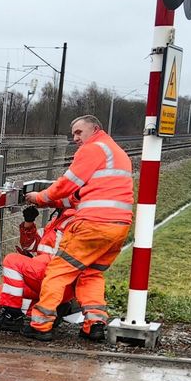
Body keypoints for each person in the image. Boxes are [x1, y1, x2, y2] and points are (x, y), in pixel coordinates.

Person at [24, 115, 133, 341]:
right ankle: (95, 324)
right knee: (91, 274)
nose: (75, 138)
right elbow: (82, 194)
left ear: (95, 129)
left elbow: (67, 184)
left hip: (92, 224)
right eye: (73, 133)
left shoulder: (92, 149)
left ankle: (41, 325)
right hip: (119, 226)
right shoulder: (118, 153)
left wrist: (40, 198)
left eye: (78, 132)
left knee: (58, 270)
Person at [0, 202, 81, 331]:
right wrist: (29, 223)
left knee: (12, 260)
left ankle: (12, 316)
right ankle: (54, 310)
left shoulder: (73, 220)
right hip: (43, 278)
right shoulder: (57, 220)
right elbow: (32, 246)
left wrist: (35, 263)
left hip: (55, 279)